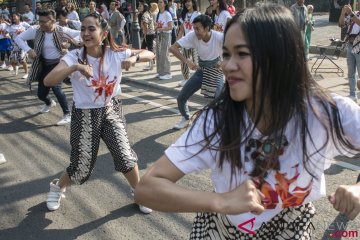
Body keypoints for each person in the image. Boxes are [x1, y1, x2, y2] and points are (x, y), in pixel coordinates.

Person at [135, 3, 360, 239]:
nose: (226, 65)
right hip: (224, 231)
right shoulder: (217, 120)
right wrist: (220, 201)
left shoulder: (324, 112)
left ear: (279, 56)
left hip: (291, 230)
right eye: (226, 54)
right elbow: (147, 188)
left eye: (241, 54)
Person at [43, 12, 155, 214]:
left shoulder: (115, 52)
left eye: (91, 29)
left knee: (125, 155)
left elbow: (150, 54)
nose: (85, 33)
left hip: (110, 109)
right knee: (81, 165)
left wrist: (135, 58)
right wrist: (75, 67)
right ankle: (57, 187)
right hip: (85, 114)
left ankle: (139, 192)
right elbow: (48, 80)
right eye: (83, 29)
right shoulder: (74, 57)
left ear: (103, 34)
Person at [15, 9, 80, 126]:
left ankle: (67, 114)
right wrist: (29, 50)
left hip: (59, 64)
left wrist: (70, 43)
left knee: (56, 88)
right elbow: (18, 38)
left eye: (44, 22)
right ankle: (49, 102)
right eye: (40, 21)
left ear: (53, 21)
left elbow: (81, 33)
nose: (41, 24)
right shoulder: (36, 30)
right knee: (41, 94)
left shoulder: (62, 30)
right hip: (43, 64)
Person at [170, 14, 224, 130]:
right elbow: (172, 48)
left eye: (198, 29)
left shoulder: (219, 37)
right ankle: (185, 117)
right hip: (201, 71)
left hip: (216, 71)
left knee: (217, 101)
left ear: (207, 28)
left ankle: (218, 127)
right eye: (194, 28)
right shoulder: (192, 35)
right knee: (181, 98)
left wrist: (224, 62)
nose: (195, 31)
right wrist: (187, 61)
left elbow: (235, 49)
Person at [176, 0, 200, 87]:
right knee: (184, 60)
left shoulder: (198, 14)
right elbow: (181, 29)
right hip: (186, 41)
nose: (187, 4)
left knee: (196, 61)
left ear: (193, 2)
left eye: (189, 1)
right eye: (185, 2)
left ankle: (200, 79)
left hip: (196, 41)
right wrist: (177, 42)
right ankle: (186, 78)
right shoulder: (184, 15)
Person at [339, 4, 360, 102]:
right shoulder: (355, 14)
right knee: (351, 73)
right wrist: (343, 13)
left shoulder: (353, 15)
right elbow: (341, 24)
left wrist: (351, 13)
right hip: (350, 46)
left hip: (359, 47)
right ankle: (353, 95)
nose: (358, 3)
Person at [6, 12, 30, 78]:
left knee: (22, 60)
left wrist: (24, 32)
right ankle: (16, 66)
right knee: (11, 60)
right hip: (14, 45)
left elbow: (31, 29)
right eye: (12, 17)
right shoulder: (11, 26)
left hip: (23, 45)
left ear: (19, 17)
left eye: (14, 16)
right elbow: (6, 33)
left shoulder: (24, 24)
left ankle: (26, 73)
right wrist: (7, 35)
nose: (13, 18)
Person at [155, 0, 173, 80]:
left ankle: (167, 73)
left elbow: (171, 27)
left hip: (166, 35)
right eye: (158, 2)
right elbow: (157, 24)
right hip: (159, 35)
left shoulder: (167, 14)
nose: (159, 4)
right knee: (159, 54)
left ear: (165, 4)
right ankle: (160, 72)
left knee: (165, 54)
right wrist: (156, 28)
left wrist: (162, 29)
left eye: (161, 2)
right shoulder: (158, 14)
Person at [140, 3, 156, 70]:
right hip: (151, 33)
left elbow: (146, 26)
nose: (139, 7)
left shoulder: (145, 15)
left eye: (140, 6)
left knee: (149, 49)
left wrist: (145, 35)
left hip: (148, 34)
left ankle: (151, 65)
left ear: (144, 7)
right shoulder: (148, 13)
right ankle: (151, 62)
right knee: (147, 48)